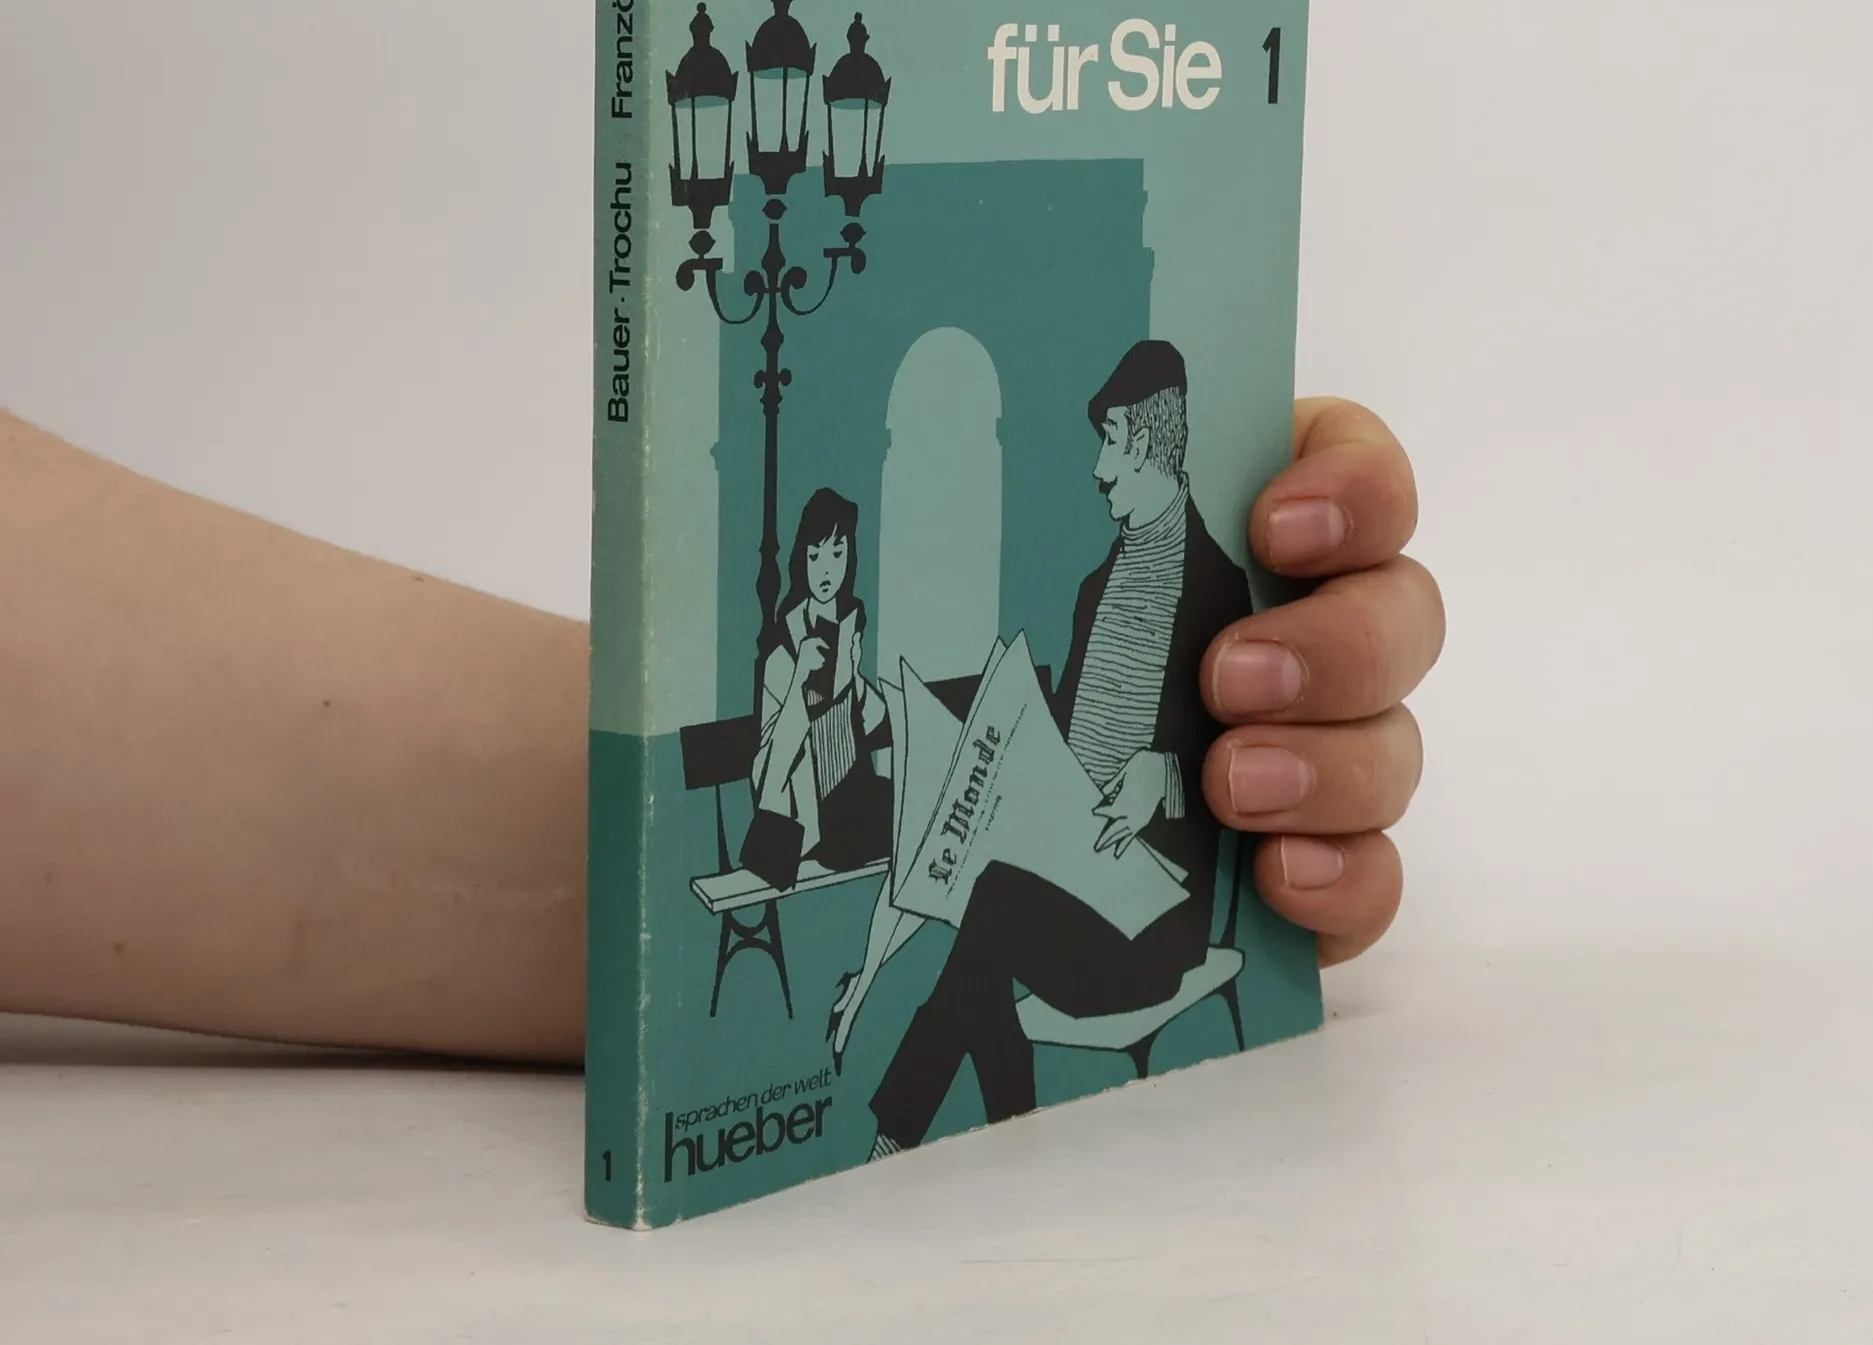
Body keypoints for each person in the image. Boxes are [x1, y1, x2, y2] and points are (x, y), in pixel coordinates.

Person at [0, 396, 1443, 1064]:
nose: (1095, 472)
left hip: (1001, 864)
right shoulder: (899, 623)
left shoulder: (1163, 577)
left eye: (1111, 448)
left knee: (966, 955)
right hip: (823, 829)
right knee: (960, 969)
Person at [866, 341, 1250, 1153]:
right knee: (988, 916)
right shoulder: (1093, 591)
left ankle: (919, 1133)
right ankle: (1000, 1138)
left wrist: (1167, 778)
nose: (1098, 470)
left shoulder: (1218, 587)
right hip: (1072, 885)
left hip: (1156, 925)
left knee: (991, 912)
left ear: (1149, 442)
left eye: (1111, 443)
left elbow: (1245, 746)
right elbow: (1065, 742)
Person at [747, 488, 892, 885]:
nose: (826, 570)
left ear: (849, 558)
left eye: (837, 554)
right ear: (802, 561)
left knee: (915, 811)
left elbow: (877, 724)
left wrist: (854, 676)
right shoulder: (781, 659)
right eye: (815, 557)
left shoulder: (848, 627)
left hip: (853, 795)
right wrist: (799, 683)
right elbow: (767, 777)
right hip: (810, 821)